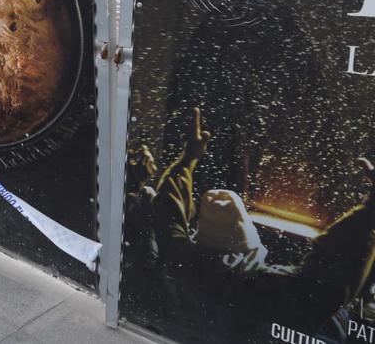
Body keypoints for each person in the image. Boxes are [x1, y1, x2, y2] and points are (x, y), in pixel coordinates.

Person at [150, 109, 375, 343]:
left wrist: (187, 160)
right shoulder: (259, 293)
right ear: (248, 241)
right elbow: (324, 284)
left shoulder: (182, 262)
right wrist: (369, 212)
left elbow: (168, 214)